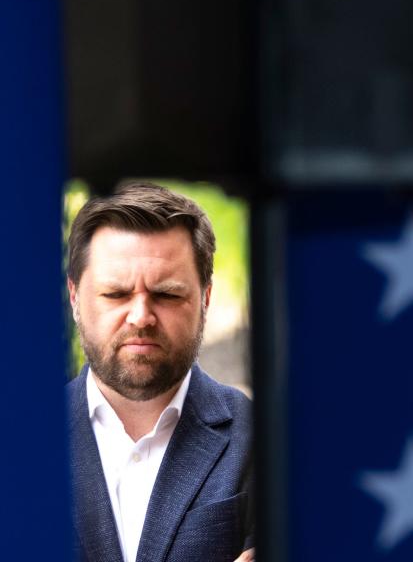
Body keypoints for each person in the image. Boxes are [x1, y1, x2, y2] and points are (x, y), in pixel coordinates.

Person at [65, 183, 254, 562]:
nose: (141, 317)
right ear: (74, 298)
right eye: (116, 294)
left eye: (167, 294)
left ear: (205, 298)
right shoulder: (19, 439)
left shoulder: (258, 439)